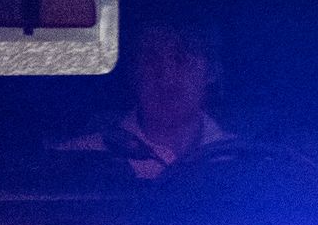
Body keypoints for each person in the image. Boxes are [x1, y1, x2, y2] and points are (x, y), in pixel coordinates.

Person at [65, 14, 236, 176]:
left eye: (181, 59)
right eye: (150, 59)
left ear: (211, 71)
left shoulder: (239, 160)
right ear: (132, 71)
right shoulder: (75, 161)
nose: (166, 77)